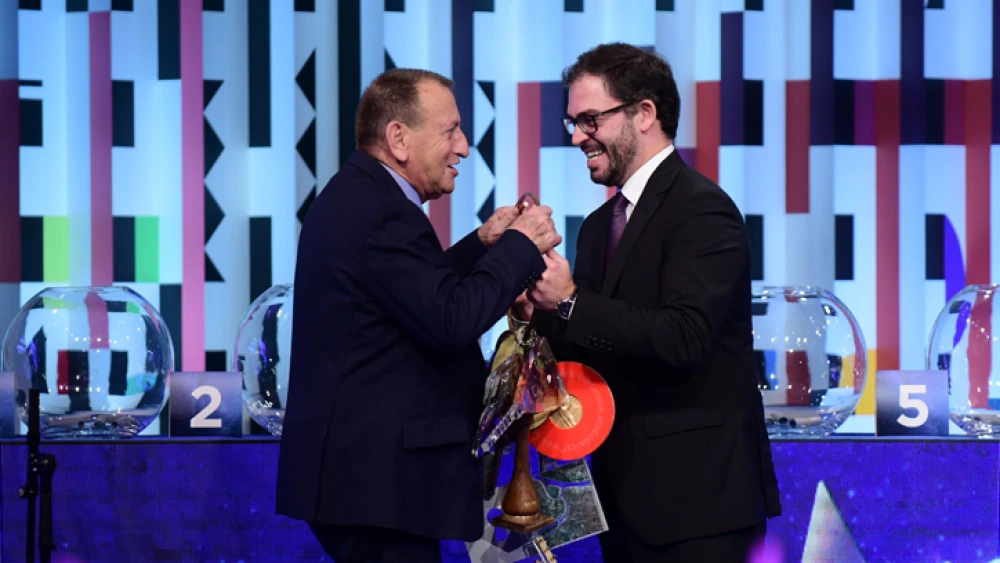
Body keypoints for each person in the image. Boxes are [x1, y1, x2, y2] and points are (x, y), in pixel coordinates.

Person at [276, 68, 562, 563]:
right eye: (450, 130)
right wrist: (519, 247)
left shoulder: (362, 196)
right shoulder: (382, 211)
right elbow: (450, 320)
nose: (464, 147)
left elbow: (406, 296)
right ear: (398, 138)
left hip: (365, 484)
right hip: (376, 487)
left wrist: (482, 246)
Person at [518, 43, 781, 562]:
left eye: (590, 120)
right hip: (622, 504)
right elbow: (589, 349)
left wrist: (570, 301)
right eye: (573, 122)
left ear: (644, 113)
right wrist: (539, 310)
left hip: (700, 509)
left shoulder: (702, 211)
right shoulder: (598, 227)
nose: (577, 137)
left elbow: (685, 338)